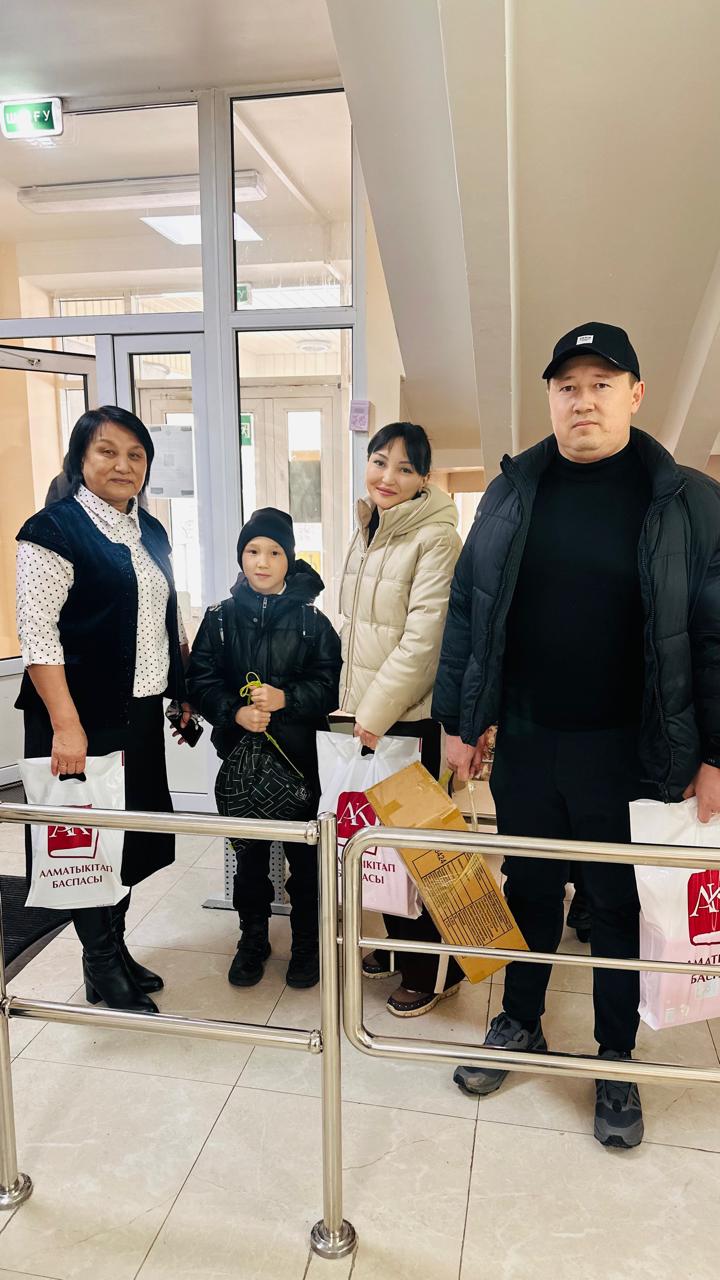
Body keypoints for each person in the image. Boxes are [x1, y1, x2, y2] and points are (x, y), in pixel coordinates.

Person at [433, 322, 720, 1148]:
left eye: (601, 384)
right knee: (528, 888)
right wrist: (460, 720)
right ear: (550, 399)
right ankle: (520, 1022)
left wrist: (715, 754)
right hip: (527, 739)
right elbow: (470, 609)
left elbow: (714, 637)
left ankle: (615, 1059)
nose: (583, 401)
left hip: (629, 748)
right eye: (567, 387)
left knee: (616, 904)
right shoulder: (512, 490)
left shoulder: (689, 500)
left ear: (636, 394)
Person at [15, 405, 191, 1014]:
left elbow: (163, 617)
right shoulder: (52, 530)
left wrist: (181, 690)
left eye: (135, 455)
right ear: (80, 459)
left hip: (136, 713)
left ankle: (114, 948)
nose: (123, 465)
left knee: (128, 842)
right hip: (79, 719)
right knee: (85, 846)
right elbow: (38, 636)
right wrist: (66, 726)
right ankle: (100, 966)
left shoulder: (151, 531)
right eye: (107, 451)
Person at [186, 507, 341, 990]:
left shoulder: (313, 621)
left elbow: (330, 685)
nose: (262, 561)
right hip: (240, 762)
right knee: (248, 860)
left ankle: (307, 942)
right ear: (241, 557)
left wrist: (286, 699)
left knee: (306, 861)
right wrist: (233, 711)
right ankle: (252, 937)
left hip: (300, 761)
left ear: (289, 559)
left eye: (274, 552)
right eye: (252, 551)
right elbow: (201, 679)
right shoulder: (219, 619)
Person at [338, 421, 464, 1015]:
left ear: (424, 479)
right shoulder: (370, 527)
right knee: (378, 843)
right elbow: (357, 628)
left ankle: (433, 970)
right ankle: (399, 944)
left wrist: (374, 712)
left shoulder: (436, 539)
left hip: (407, 721)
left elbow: (423, 643)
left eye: (405, 468)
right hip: (370, 716)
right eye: (379, 461)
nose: (387, 477)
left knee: (415, 850)